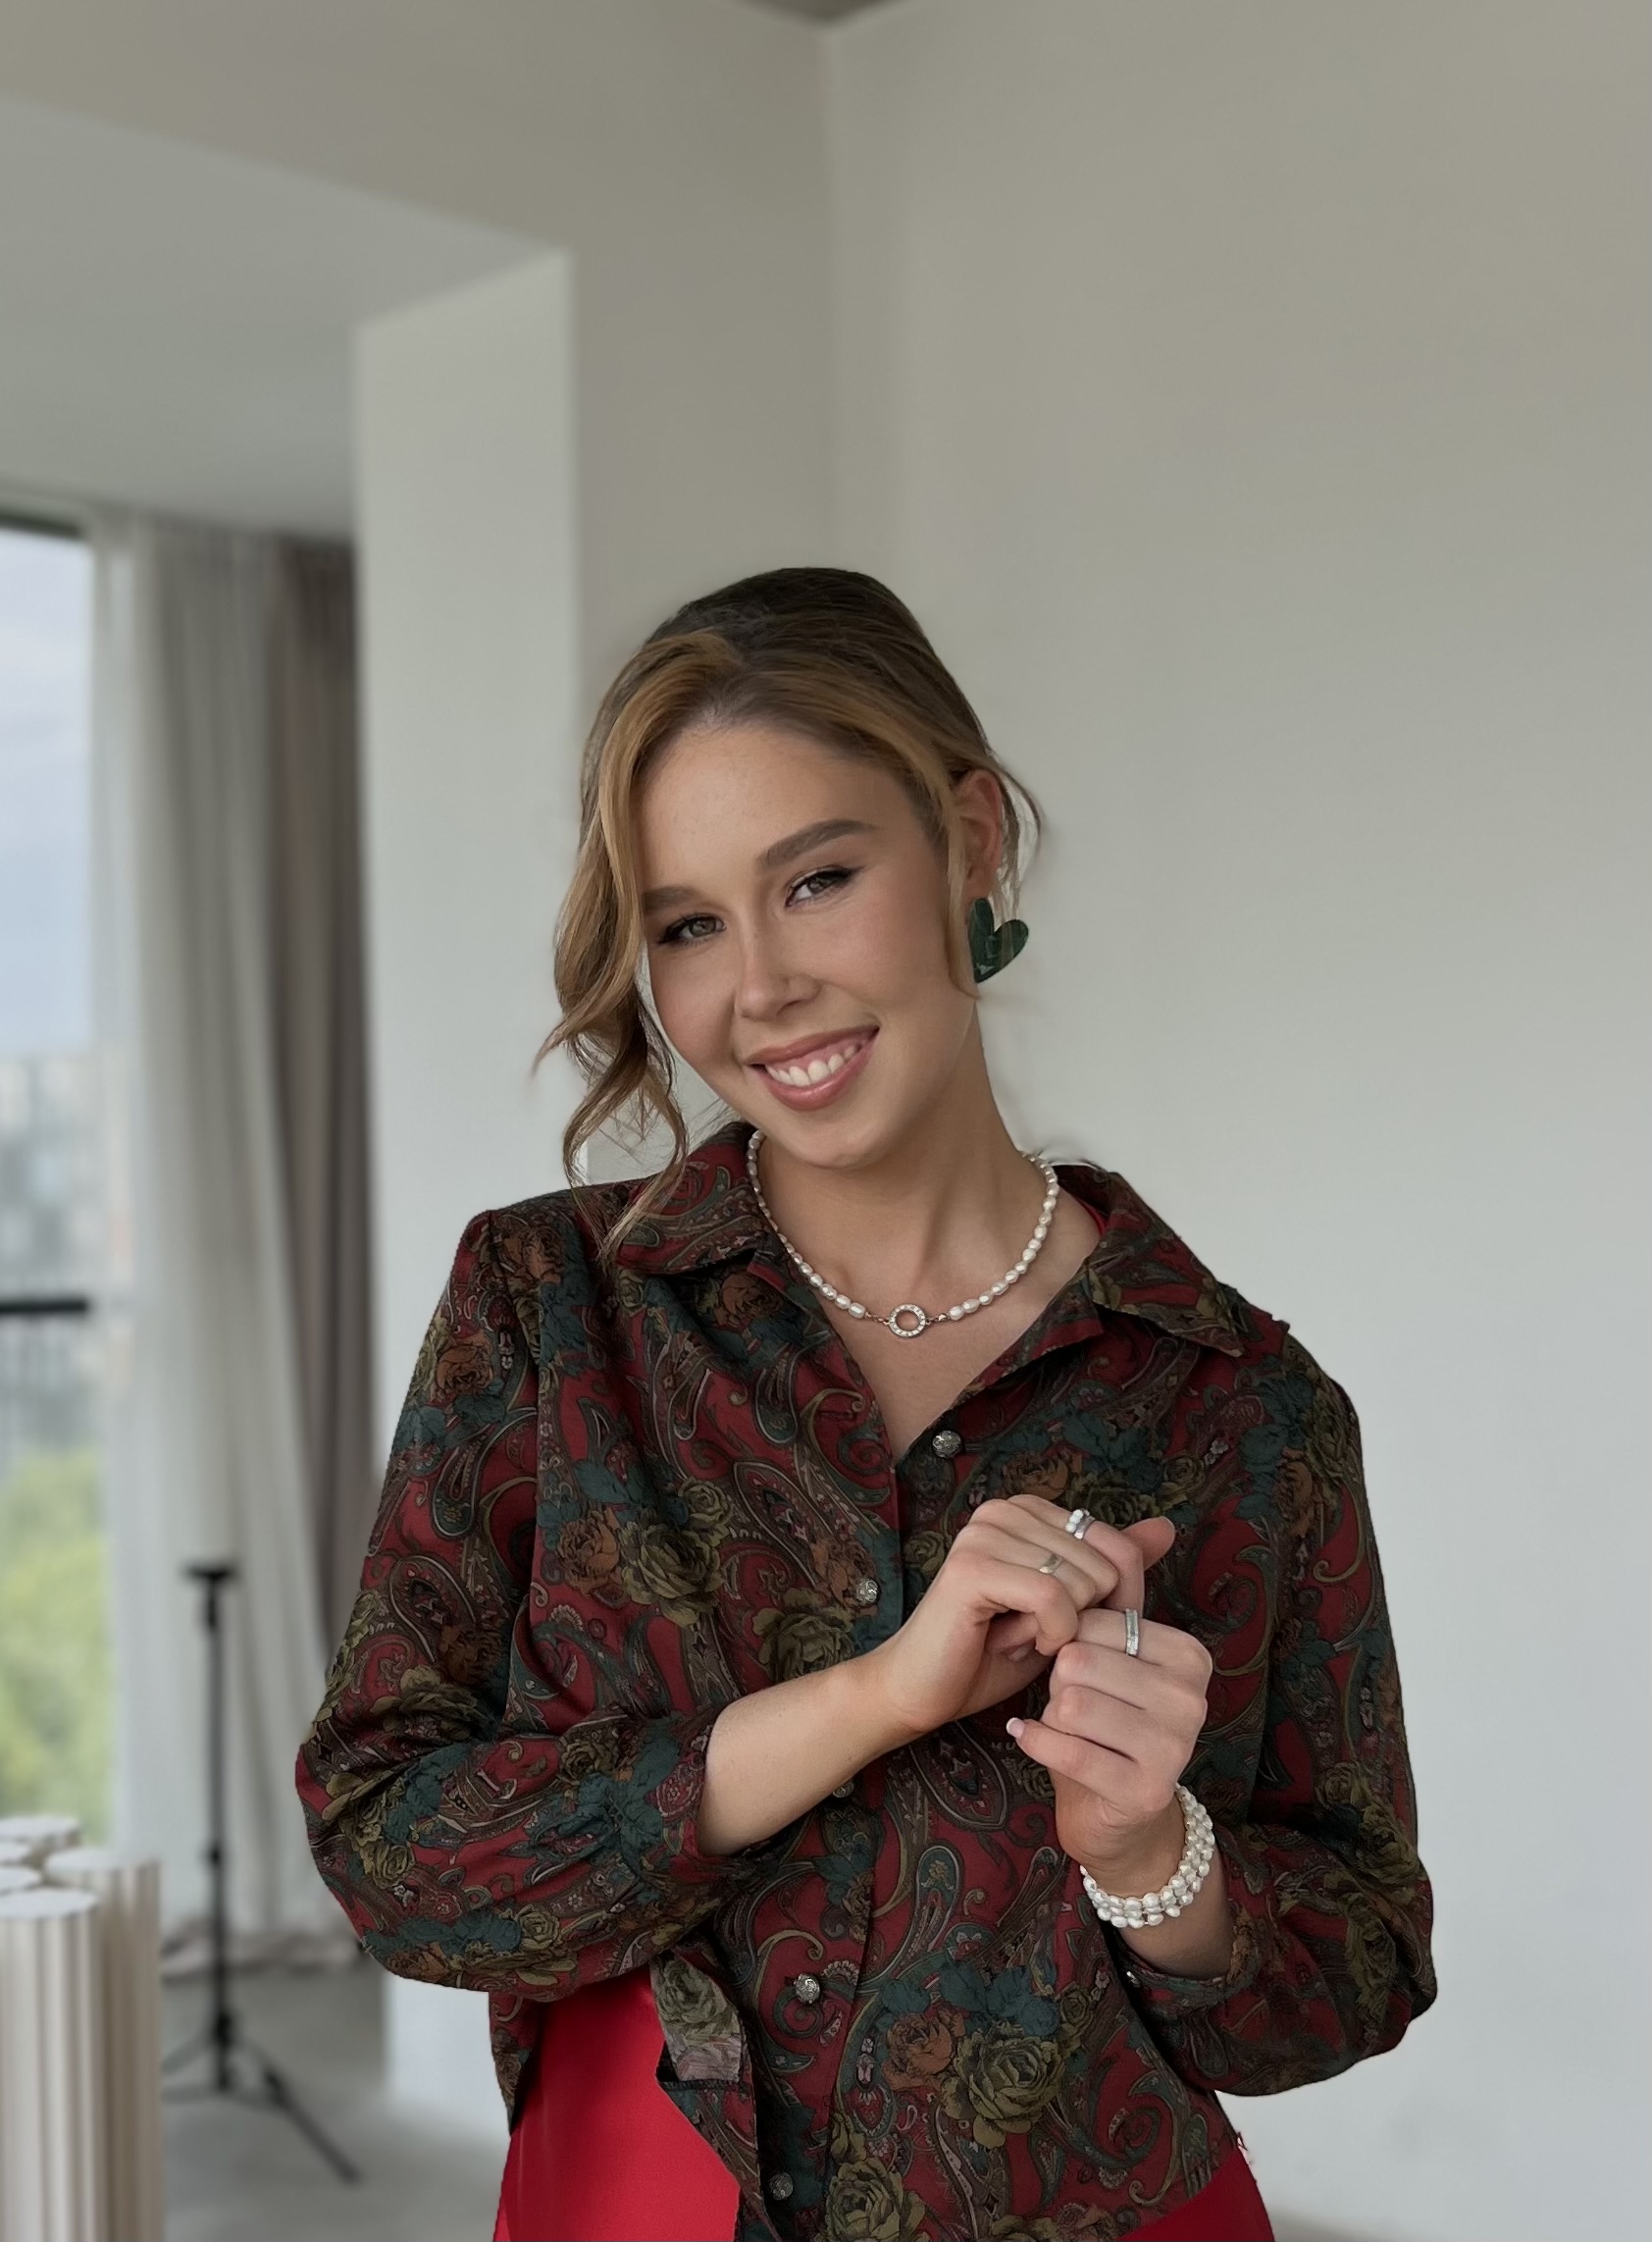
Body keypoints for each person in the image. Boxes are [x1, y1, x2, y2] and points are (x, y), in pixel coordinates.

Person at [295, 568, 1436, 2242]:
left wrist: (1150, 1853)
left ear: (970, 840)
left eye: (817, 879)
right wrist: (874, 1699)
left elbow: (1357, 1974)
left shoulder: (1238, 1406)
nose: (760, 985)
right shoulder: (547, 1311)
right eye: (688, 925)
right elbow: (391, 1851)